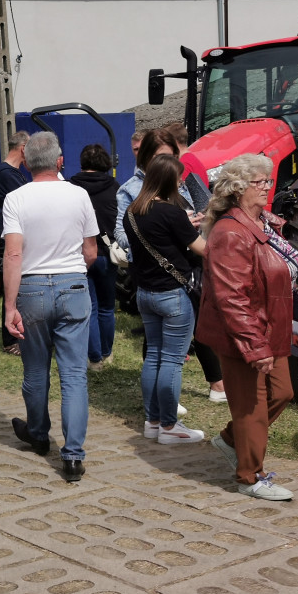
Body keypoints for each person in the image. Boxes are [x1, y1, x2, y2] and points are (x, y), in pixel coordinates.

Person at [197, 154, 295, 501]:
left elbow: (280, 273)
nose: (267, 188)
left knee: (282, 392)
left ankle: (229, 439)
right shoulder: (230, 232)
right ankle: (249, 476)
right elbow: (232, 298)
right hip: (242, 333)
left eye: (268, 181)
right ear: (239, 189)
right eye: (260, 183)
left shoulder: (263, 224)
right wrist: (254, 347)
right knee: (251, 407)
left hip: (271, 326)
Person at [3, 132, 97, 482]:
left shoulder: (16, 198)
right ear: (60, 161)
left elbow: (13, 253)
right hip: (73, 283)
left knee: (35, 369)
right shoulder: (79, 194)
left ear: (26, 162)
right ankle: (72, 455)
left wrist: (9, 305)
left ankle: (39, 433)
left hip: (32, 287)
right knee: (74, 375)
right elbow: (91, 252)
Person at [123, 155, 208, 445]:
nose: (182, 182)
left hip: (145, 293)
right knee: (172, 361)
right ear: (170, 180)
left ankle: (153, 421)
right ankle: (170, 427)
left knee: (154, 357)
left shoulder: (132, 212)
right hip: (173, 294)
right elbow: (202, 249)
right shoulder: (171, 213)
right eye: (179, 179)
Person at [69, 144, 120, 369]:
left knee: (89, 308)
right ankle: (107, 353)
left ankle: (94, 358)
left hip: (80, 253)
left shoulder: (71, 187)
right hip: (108, 253)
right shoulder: (115, 187)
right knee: (108, 307)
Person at [0, 130, 30, 354]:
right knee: (12, 287)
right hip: (14, 236)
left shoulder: (13, 173)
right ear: (23, 148)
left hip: (18, 234)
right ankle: (11, 339)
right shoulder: (6, 174)